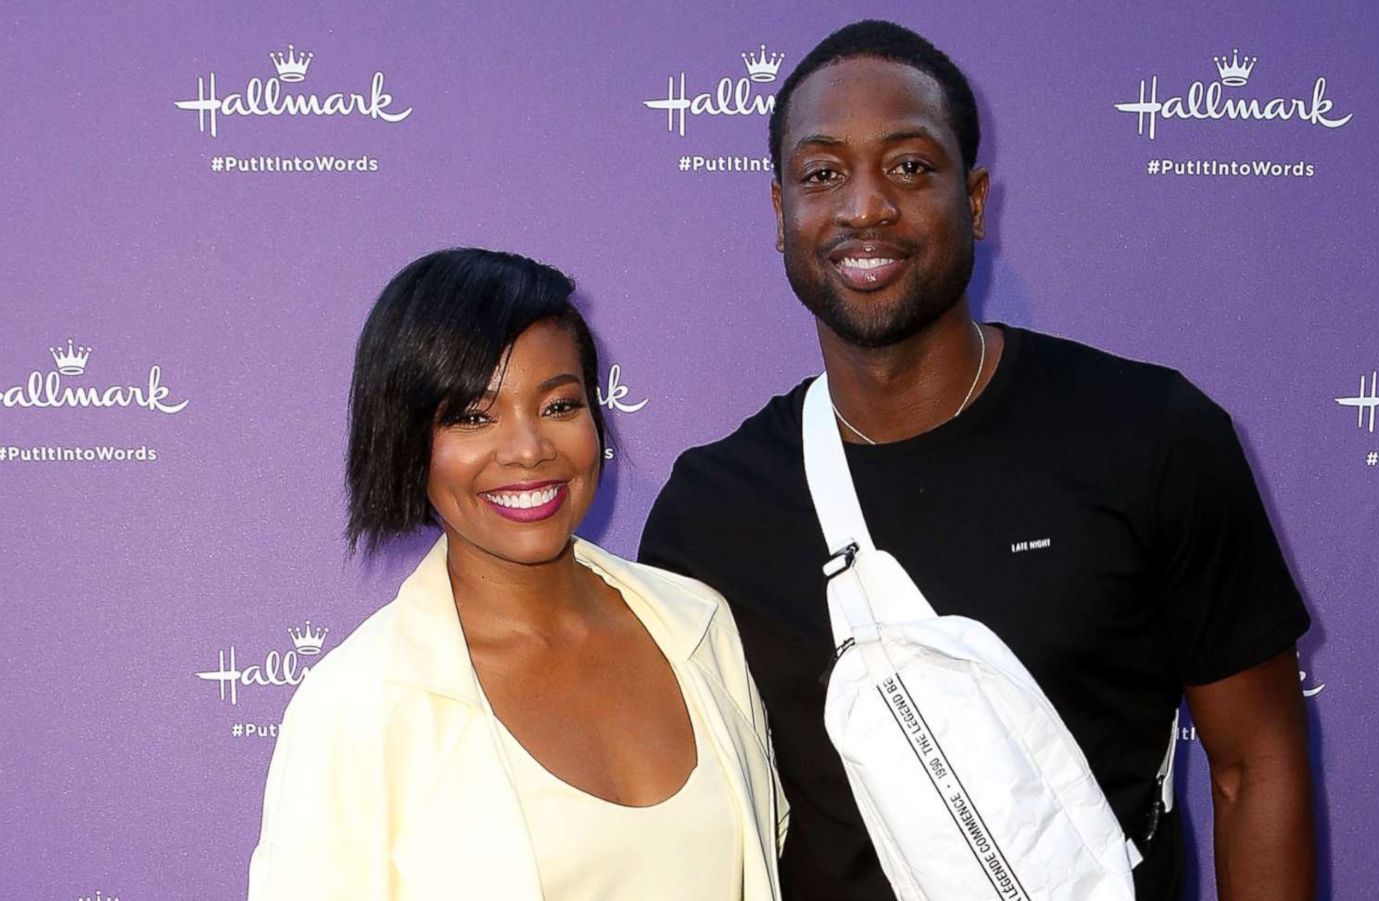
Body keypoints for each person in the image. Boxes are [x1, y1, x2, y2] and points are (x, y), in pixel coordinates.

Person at [640, 20, 1314, 901]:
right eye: (822, 173)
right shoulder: (711, 511)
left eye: (911, 166)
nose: (865, 206)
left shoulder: (1150, 435)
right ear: (780, 214)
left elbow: (1254, 765)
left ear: (978, 199)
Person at [248, 248, 785, 900]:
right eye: (474, 416)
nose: (529, 449)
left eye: (559, 405)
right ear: (408, 443)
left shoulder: (697, 626)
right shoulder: (356, 708)